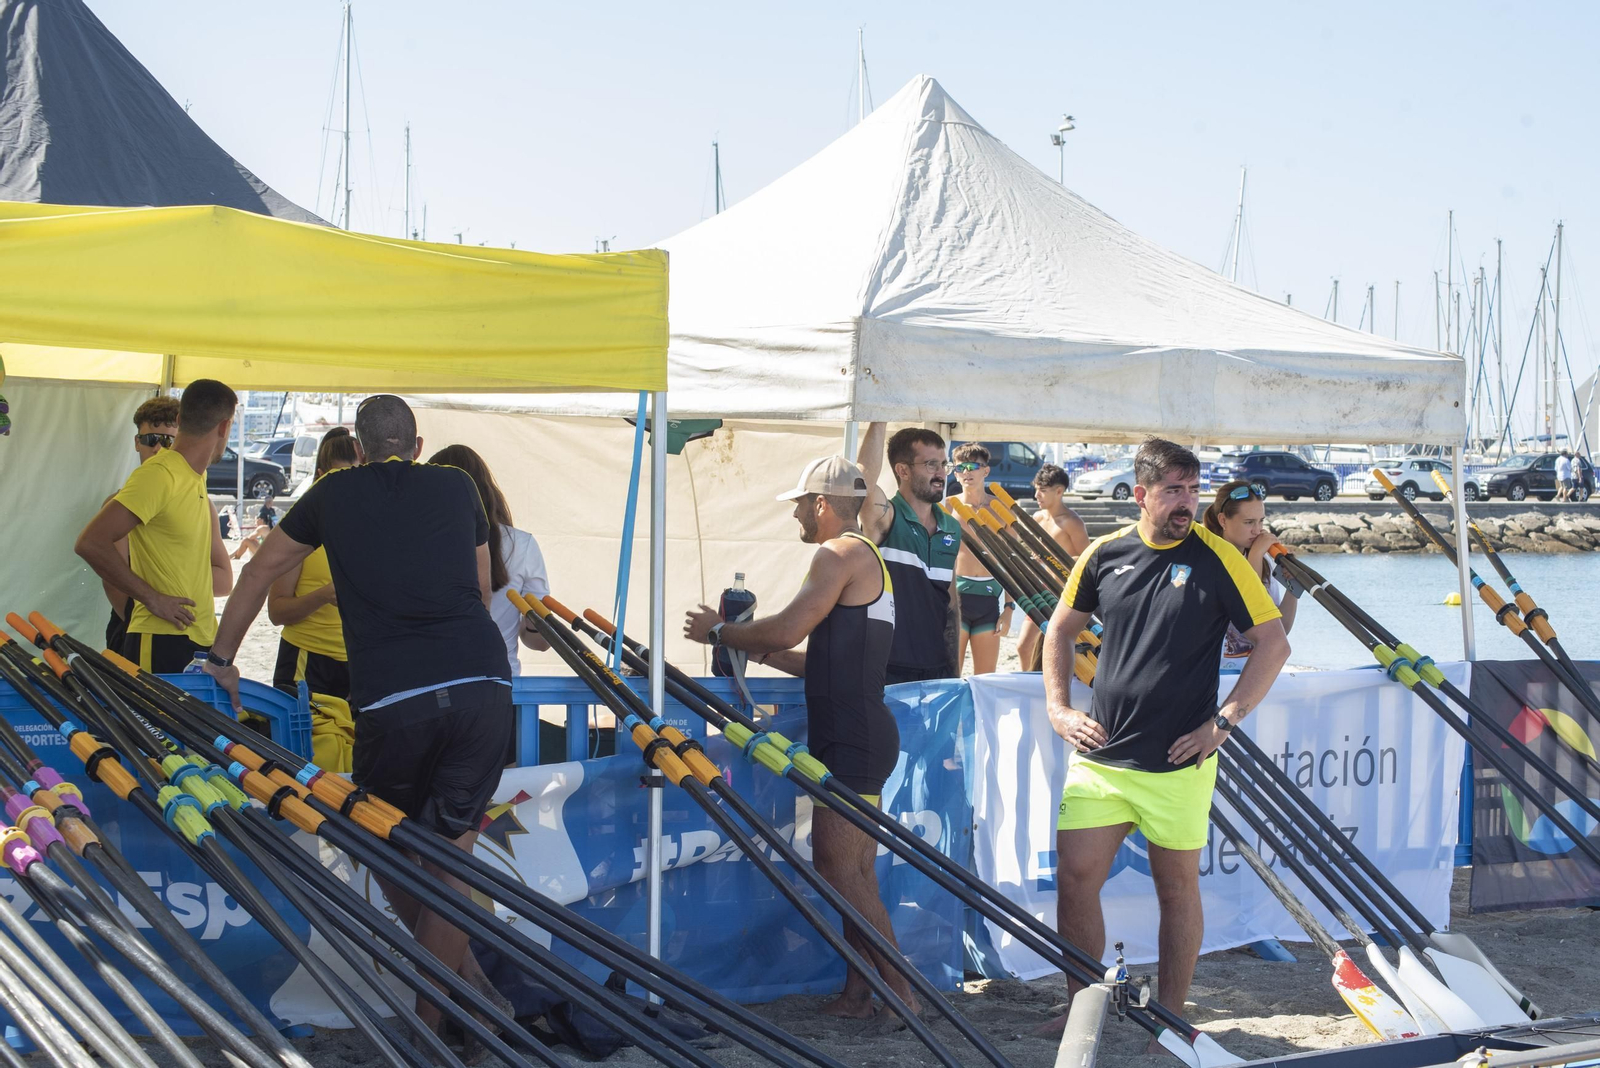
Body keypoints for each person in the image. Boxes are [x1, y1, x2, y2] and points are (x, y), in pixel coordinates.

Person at [202, 395, 512, 1034]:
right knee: (450, 857)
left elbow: (260, 571)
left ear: (362, 448)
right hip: (481, 683)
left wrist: (222, 656)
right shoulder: (458, 487)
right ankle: (465, 992)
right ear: (418, 442)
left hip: (396, 694)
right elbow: (481, 592)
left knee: (377, 839)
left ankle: (440, 1020)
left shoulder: (333, 493)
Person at [1042, 438, 1289, 1035]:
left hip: (1179, 761)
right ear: (1140, 494)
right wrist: (1058, 708)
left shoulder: (1220, 558)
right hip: (1102, 757)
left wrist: (1223, 722)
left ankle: (1172, 1020)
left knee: (1176, 891)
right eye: (1174, 490)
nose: (1187, 502)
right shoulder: (1103, 553)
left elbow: (1274, 644)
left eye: (1193, 489)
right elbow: (1059, 629)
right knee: (1075, 881)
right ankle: (1083, 1010)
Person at [683, 455, 913, 1018]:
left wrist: (720, 629)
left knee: (838, 866)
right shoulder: (865, 558)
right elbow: (825, 662)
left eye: (798, 508)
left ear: (820, 504)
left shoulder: (840, 552)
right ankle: (863, 990)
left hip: (854, 735)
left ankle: (901, 991)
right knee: (851, 871)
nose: (796, 521)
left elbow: (789, 625)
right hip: (857, 728)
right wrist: (757, 650)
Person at [77, 380, 238, 673]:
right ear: (225, 427)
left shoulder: (194, 477)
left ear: (179, 420)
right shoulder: (160, 474)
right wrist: (151, 599)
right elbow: (91, 543)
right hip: (160, 637)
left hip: (197, 636)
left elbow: (221, 578)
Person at [427, 444, 551, 674]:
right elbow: (541, 643)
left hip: (436, 681)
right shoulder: (520, 544)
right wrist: (532, 625)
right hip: (499, 681)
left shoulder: (422, 542)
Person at [856, 422, 961, 684]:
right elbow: (861, 485)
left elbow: (950, 606)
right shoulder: (887, 517)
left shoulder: (951, 528)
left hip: (936, 670)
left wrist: (953, 673)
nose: (941, 474)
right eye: (930, 465)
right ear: (902, 470)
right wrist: (878, 418)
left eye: (943, 464)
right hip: (886, 668)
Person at [268, 429, 358, 700]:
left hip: (357, 660)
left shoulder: (368, 526)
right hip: (306, 658)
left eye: (353, 478)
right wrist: (322, 596)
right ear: (320, 475)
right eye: (336, 478)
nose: (345, 489)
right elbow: (276, 611)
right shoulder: (299, 528)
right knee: (300, 742)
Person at [1203, 480, 1299, 675]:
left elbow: (1279, 631)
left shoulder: (1263, 560)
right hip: (1216, 674)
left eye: (1261, 521)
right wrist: (1255, 556)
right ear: (1223, 520)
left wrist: (1293, 587)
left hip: (1254, 674)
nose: (1257, 530)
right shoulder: (1209, 559)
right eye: (1249, 522)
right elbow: (1246, 610)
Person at [945, 444, 1012, 675]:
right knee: (952, 676)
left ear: (986, 471)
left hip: (988, 600)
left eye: (973, 466)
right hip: (956, 597)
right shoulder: (946, 507)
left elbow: (1011, 561)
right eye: (961, 467)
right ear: (955, 473)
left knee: (985, 679)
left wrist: (1010, 608)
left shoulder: (1000, 508)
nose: (966, 472)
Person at [1018, 463, 1089, 670]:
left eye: (1043, 490)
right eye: (1036, 488)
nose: (1036, 495)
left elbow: (1086, 560)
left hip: (1063, 596)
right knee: (1024, 646)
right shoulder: (1037, 518)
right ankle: (1029, 686)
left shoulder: (1072, 522)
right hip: (1040, 592)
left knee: (1058, 650)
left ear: (1059, 491)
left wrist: (1050, 558)